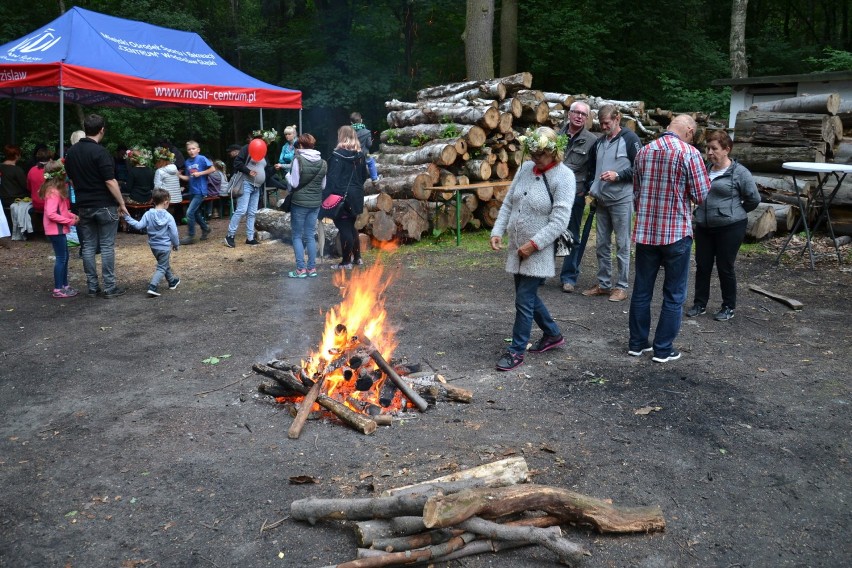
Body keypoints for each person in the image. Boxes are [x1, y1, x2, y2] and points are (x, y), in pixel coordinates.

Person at [489, 127, 575, 372]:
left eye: (541, 153)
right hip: (518, 247)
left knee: (524, 299)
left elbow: (560, 221)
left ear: (554, 151)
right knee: (527, 296)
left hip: (538, 248)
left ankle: (516, 351)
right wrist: (497, 230)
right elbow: (508, 202)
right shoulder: (526, 169)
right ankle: (553, 334)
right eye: (533, 152)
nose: (536, 157)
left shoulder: (564, 176)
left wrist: (534, 244)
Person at [629, 114, 711, 363]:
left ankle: (637, 343)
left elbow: (636, 192)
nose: (693, 137)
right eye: (693, 133)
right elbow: (701, 194)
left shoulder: (644, 151)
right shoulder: (689, 153)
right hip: (675, 233)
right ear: (687, 129)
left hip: (646, 232)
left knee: (642, 291)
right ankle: (663, 349)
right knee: (674, 294)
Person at [686, 130, 760, 322]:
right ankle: (700, 303)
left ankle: (728, 306)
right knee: (702, 266)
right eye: (707, 148)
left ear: (727, 150)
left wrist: (733, 211)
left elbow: (753, 199)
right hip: (704, 225)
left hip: (731, 226)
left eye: (714, 149)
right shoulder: (704, 168)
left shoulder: (740, 173)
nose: (709, 152)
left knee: (724, 266)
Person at [581, 104, 642, 302]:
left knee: (622, 244)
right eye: (601, 123)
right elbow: (592, 169)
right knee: (601, 244)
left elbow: (640, 169)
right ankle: (604, 284)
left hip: (622, 200)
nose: (603, 127)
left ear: (617, 119)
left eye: (606, 123)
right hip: (602, 201)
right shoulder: (599, 143)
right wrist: (591, 186)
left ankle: (622, 287)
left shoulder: (630, 139)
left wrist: (618, 175)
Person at [64, 113, 129, 298]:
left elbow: (73, 182)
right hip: (104, 205)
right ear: (102, 130)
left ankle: (92, 287)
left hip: (84, 206)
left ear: (85, 129)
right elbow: (110, 181)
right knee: (107, 246)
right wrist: (121, 203)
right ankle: (110, 287)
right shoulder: (101, 152)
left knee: (88, 247)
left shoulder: (72, 153)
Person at [557, 101, 598, 293]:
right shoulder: (555, 136)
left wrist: (587, 188)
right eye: (576, 112)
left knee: (572, 235)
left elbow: (594, 169)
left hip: (575, 193)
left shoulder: (592, 141)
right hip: (552, 192)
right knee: (547, 233)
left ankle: (569, 277)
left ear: (587, 118)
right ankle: (540, 273)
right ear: (569, 114)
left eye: (584, 114)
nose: (579, 116)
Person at [323, 125, 368, 268]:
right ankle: (357, 258)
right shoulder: (360, 156)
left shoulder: (337, 156)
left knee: (344, 228)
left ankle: (346, 261)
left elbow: (332, 179)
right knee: (351, 226)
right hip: (356, 196)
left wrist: (324, 197)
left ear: (341, 137)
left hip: (341, 196)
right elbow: (363, 176)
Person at [122, 188, 181, 297]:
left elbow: (139, 225)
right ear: (166, 202)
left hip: (154, 246)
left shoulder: (148, 214)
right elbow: (174, 233)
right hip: (164, 246)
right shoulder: (169, 217)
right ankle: (152, 287)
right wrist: (176, 244)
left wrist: (126, 217)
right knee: (162, 267)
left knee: (163, 263)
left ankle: (172, 281)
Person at [285, 133, 327, 278]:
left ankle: (300, 269)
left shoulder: (298, 159)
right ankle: (312, 268)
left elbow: (294, 184)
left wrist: (287, 177)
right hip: (315, 203)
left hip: (299, 203)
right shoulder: (323, 162)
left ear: (301, 145)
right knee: (309, 234)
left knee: (297, 235)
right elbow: (323, 185)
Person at [39, 160, 79, 298]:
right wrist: (69, 221)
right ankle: (58, 288)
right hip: (55, 230)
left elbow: (61, 211)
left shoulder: (55, 191)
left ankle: (64, 285)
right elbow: (51, 214)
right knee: (61, 258)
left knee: (65, 257)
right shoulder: (53, 192)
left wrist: (72, 215)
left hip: (59, 230)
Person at [225, 133, 270, 248]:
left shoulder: (264, 150)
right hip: (246, 183)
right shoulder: (247, 148)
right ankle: (229, 236)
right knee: (241, 210)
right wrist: (248, 171)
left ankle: (250, 238)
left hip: (257, 186)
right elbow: (237, 163)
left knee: (252, 212)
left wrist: (274, 169)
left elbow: (266, 168)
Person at [178, 140, 214, 244]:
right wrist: (179, 175)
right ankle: (205, 228)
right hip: (192, 191)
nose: (191, 151)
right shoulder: (187, 162)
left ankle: (191, 235)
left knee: (189, 212)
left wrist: (200, 173)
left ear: (198, 150)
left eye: (193, 149)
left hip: (201, 191)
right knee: (196, 213)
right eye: (189, 149)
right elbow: (189, 178)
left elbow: (213, 169)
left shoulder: (202, 158)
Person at [1, 145, 28, 229]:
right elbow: (25, 185)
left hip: (1, 199)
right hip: (15, 199)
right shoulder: (17, 170)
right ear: (16, 156)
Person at [27, 146, 52, 214]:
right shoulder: (52, 171)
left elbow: (29, 188)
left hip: (36, 205)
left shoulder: (31, 170)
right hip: (50, 205)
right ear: (50, 158)